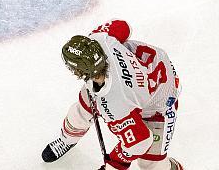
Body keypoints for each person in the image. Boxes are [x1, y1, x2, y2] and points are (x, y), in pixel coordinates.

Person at [42, 20, 183, 170]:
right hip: (151, 67)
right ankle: (67, 139)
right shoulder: (100, 39)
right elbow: (124, 26)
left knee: (151, 164)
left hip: (161, 102)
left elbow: (140, 142)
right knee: (81, 112)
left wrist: (113, 165)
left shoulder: (115, 104)